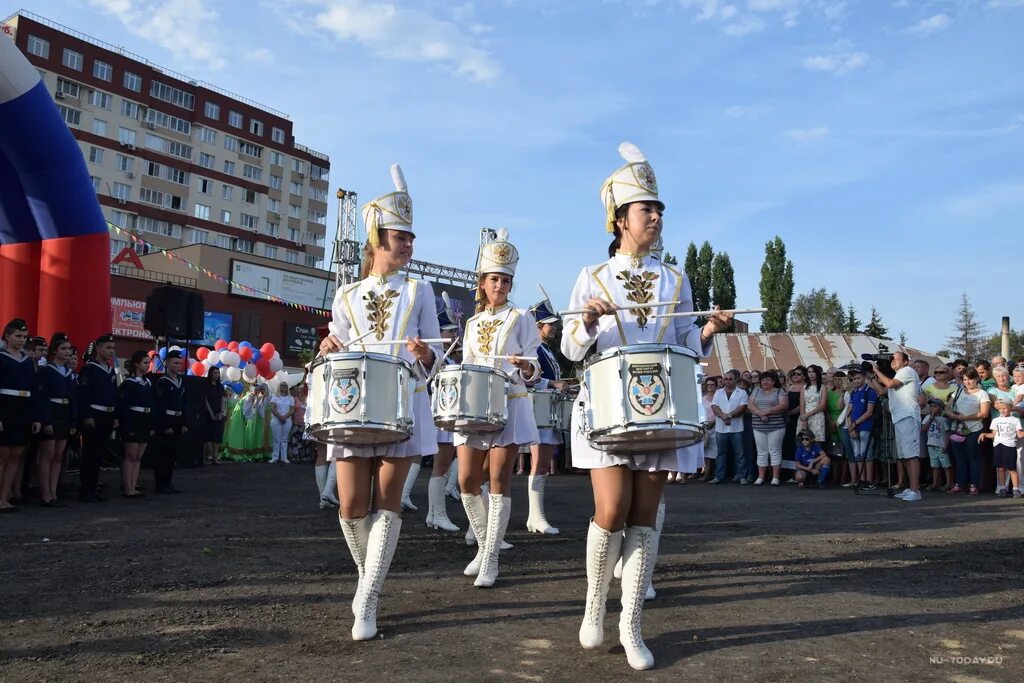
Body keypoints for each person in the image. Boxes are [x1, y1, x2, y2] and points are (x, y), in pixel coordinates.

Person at [562, 142, 731, 671]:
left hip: (659, 408)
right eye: (646, 209)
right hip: (608, 409)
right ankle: (593, 606)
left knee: (644, 516)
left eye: (659, 209)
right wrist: (587, 320)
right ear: (619, 219)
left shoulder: (676, 279)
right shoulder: (592, 276)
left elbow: (686, 346)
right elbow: (569, 348)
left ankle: (631, 623)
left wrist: (707, 329)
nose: (655, 216)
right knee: (610, 510)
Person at [317, 164, 441, 641]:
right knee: (350, 506)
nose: (408, 245)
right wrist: (329, 347)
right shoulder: (346, 294)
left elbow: (433, 355)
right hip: (354, 407)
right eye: (400, 237)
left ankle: (367, 600)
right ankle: (370, 581)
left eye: (411, 238)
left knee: (387, 503)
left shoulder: (420, 290)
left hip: (404, 403)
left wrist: (425, 354)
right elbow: (341, 346)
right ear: (376, 238)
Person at [456, 228, 541, 587]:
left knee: (498, 481)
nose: (500, 286)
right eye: (494, 279)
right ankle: (485, 545)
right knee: (464, 481)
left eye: (506, 280)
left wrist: (524, 366)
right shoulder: (472, 323)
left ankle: (490, 559)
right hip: (476, 404)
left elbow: (535, 363)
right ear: (482, 282)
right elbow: (467, 364)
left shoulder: (521, 317)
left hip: (510, 401)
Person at [525, 298, 565, 533]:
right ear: (539, 325)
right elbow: (529, 377)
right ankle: (535, 517)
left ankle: (535, 516)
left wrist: (562, 385)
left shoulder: (547, 350)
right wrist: (553, 383)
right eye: (550, 324)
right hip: (538, 409)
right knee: (538, 465)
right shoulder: (533, 348)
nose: (555, 328)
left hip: (549, 409)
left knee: (542, 466)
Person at [868, 352, 923, 502]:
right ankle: (910, 488)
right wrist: (872, 377)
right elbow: (882, 391)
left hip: (908, 417)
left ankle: (915, 490)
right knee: (904, 455)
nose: (892, 361)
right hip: (899, 418)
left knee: (911, 455)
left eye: (896, 359)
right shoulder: (898, 376)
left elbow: (890, 384)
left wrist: (877, 370)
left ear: (905, 362)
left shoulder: (907, 371)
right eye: (892, 359)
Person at [425, 307, 461, 532]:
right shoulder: (437, 357)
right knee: (441, 466)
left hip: (447, 413)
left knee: (443, 466)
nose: (452, 335)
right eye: (448, 332)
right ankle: (437, 513)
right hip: (441, 415)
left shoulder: (447, 359)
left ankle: (432, 513)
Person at [0, 319, 42, 511]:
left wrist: (35, 417)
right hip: (5, 408)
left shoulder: (27, 361)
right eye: (17, 336)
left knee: (16, 454)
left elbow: (34, 390)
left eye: (24, 337)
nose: (21, 340)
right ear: (7, 336)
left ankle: (4, 497)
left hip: (23, 409)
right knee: (2, 455)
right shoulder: (1, 357)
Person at [34, 333, 77, 507]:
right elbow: (42, 397)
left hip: (65, 414)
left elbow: (74, 399)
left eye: (69, 349)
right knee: (48, 455)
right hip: (51, 413)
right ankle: (45, 494)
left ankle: (54, 493)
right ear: (54, 350)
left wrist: (73, 421)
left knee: (59, 456)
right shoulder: (47, 370)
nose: (67, 352)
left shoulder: (69, 373)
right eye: (63, 348)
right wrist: (47, 421)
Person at [77, 334, 119, 503]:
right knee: (90, 453)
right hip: (94, 415)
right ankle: (85, 490)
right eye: (108, 348)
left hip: (107, 416)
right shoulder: (90, 368)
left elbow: (114, 394)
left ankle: (93, 488)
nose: (111, 351)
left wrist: (115, 415)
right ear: (99, 348)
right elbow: (84, 395)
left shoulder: (110, 370)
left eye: (113, 348)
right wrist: (87, 415)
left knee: (99, 454)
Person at [944, 368, 990, 495]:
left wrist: (965, 417)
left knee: (973, 458)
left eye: (970, 379)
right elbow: (947, 408)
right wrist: (951, 414)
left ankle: (974, 485)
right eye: (965, 379)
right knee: (959, 459)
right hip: (957, 430)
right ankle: (960, 484)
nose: (968, 382)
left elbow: (984, 413)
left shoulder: (982, 393)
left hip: (974, 430)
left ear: (976, 379)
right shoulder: (958, 391)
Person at [117, 350, 153, 498]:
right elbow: (124, 406)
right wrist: (128, 425)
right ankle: (127, 487)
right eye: (145, 363)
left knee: (138, 456)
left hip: (144, 419)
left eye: (148, 363)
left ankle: (133, 485)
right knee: (130, 455)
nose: (147, 366)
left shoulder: (147, 382)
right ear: (136, 364)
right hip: (133, 419)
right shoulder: (128, 383)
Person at [153, 349, 187, 494]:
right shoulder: (163, 382)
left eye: (180, 363)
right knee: (163, 455)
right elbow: (159, 406)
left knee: (173, 454)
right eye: (175, 363)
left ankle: (168, 481)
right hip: (167, 420)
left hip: (178, 420)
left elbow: (185, 404)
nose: (178, 366)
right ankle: (160, 484)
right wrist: (165, 425)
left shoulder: (181, 381)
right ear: (167, 364)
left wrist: (185, 423)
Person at [747, 370, 788, 486]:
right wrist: (760, 413)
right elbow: (750, 405)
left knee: (774, 451)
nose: (765, 382)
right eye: (763, 380)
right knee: (761, 451)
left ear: (773, 381)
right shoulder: (756, 391)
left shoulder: (780, 391)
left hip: (776, 426)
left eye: (768, 379)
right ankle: (761, 477)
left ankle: (775, 477)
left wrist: (767, 411)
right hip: (758, 426)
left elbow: (783, 405)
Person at [708, 370, 748, 484]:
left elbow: (743, 407)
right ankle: (718, 476)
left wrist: (729, 415)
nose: (728, 381)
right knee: (720, 454)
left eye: (730, 379)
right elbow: (714, 406)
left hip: (737, 428)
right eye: (726, 379)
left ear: (735, 380)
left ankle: (741, 476)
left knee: (739, 454)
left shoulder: (742, 393)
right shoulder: (718, 392)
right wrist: (722, 416)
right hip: (721, 428)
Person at [979, 400, 1023, 497]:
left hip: (1010, 445)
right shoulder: (996, 420)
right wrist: (984, 434)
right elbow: (993, 434)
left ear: (1010, 408)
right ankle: (1002, 488)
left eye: (1004, 408)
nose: (1002, 411)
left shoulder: (1015, 420)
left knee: (1012, 468)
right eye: (1000, 409)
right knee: (1000, 468)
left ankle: (1016, 489)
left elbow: (1019, 434)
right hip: (998, 445)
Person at [845, 367, 877, 488]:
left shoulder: (870, 391)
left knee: (866, 453)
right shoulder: (854, 392)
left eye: (858, 378)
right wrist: (850, 426)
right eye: (854, 378)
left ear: (864, 377)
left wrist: (855, 424)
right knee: (857, 453)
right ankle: (861, 479)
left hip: (865, 426)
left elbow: (869, 412)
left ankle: (869, 480)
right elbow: (849, 411)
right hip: (854, 427)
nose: (856, 381)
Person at [922, 398, 953, 491]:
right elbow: (923, 428)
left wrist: (947, 445)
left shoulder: (944, 419)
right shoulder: (928, 417)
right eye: (931, 406)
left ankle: (949, 483)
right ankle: (935, 483)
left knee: (946, 465)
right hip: (931, 444)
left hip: (941, 444)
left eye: (935, 406)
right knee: (934, 465)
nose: (932, 408)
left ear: (940, 408)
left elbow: (948, 433)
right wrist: (931, 418)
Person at [799, 364, 827, 448]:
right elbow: (802, 404)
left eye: (813, 372)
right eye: (809, 372)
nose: (811, 374)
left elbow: (822, 405)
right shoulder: (804, 388)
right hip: (805, 417)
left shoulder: (823, 387)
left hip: (818, 416)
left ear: (817, 373)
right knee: (805, 443)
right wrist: (804, 419)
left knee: (817, 443)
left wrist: (808, 414)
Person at [204, 367, 227, 466]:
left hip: (219, 412)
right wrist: (211, 414)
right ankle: (207, 456)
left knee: (217, 436)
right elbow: (205, 400)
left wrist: (222, 412)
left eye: (218, 373)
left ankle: (215, 457)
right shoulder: (206, 385)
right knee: (208, 436)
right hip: (208, 412)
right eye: (214, 373)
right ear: (210, 373)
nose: (216, 375)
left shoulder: (220, 386)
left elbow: (223, 399)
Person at [269, 381, 295, 465]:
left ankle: (284, 458)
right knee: (276, 439)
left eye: (285, 385)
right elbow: (272, 408)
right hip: (276, 419)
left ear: (287, 387)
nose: (283, 387)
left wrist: (285, 417)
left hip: (287, 420)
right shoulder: (275, 396)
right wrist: (280, 417)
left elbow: (292, 410)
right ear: (279, 387)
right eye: (282, 385)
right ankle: (275, 457)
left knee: (284, 439)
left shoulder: (290, 398)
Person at [243, 384, 271, 460]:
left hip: (263, 419)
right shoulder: (253, 397)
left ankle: (262, 454)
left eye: (262, 389)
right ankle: (253, 454)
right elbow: (252, 408)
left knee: (261, 435)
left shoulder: (268, 397)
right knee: (254, 434)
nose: (260, 391)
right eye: (259, 389)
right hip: (255, 419)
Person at [700, 377, 718, 480]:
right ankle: (706, 473)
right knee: (707, 453)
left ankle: (715, 473)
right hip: (706, 427)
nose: (710, 387)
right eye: (708, 385)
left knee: (716, 451)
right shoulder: (703, 399)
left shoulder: (719, 397)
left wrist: (714, 421)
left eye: (712, 385)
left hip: (718, 426)